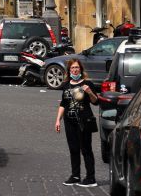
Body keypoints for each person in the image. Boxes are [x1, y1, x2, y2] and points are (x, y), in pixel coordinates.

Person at [55, 58, 99, 187]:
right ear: (69, 70)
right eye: (73, 68)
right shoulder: (66, 85)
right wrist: (58, 120)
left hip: (84, 121)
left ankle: (91, 178)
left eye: (77, 67)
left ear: (81, 69)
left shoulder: (87, 84)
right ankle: (75, 176)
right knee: (73, 149)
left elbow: (96, 102)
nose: (75, 70)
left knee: (86, 149)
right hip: (69, 122)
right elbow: (63, 104)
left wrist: (89, 92)